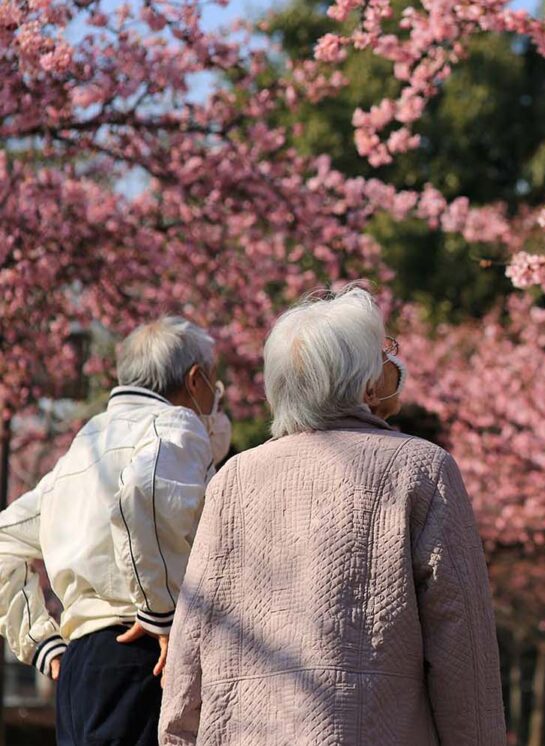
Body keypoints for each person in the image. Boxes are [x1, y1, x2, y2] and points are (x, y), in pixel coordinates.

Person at [159, 286, 506, 745]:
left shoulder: (233, 478)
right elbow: (462, 642)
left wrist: (177, 735)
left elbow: (194, 633)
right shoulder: (421, 469)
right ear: (365, 381)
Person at [0, 317, 227, 746]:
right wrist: (159, 612)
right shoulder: (175, 423)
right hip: (143, 651)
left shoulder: (82, 448)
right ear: (195, 379)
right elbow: (147, 488)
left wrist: (39, 641)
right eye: (212, 384)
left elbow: (4, 539)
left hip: (78, 665)